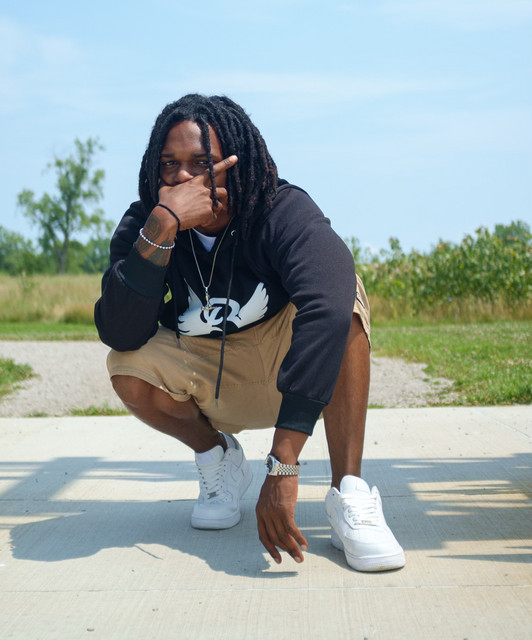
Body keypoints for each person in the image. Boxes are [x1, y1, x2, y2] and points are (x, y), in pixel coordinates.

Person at [94, 94, 405, 572]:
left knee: (343, 300)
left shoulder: (279, 208)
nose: (183, 178)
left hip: (291, 369)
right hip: (212, 378)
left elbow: (326, 302)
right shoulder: (148, 223)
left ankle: (350, 494)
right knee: (125, 366)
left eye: (202, 163)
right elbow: (120, 330)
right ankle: (218, 459)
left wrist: (284, 463)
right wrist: (162, 228)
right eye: (169, 164)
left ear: (234, 163)